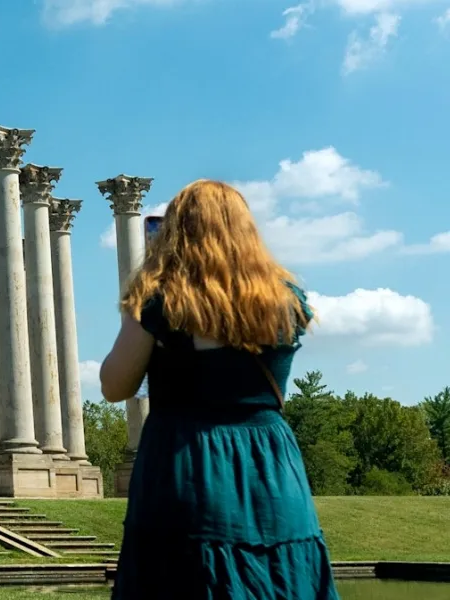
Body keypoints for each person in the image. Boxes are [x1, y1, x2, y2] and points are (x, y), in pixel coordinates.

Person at [99, 179, 339, 599]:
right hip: (269, 464)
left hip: (186, 461)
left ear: (175, 233)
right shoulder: (287, 301)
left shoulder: (159, 304)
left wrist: (135, 306)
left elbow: (114, 386)